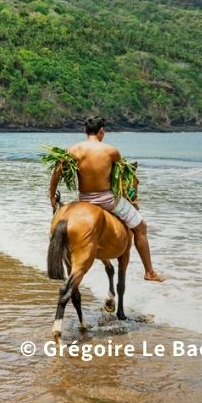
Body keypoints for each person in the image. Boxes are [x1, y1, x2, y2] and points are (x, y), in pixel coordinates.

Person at [48, 116, 166, 282]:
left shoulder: (72, 150)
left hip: (84, 199)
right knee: (141, 228)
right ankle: (149, 272)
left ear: (84, 130)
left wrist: (52, 195)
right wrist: (130, 197)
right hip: (108, 200)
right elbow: (122, 179)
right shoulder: (111, 151)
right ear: (102, 130)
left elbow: (56, 173)